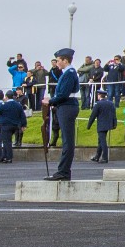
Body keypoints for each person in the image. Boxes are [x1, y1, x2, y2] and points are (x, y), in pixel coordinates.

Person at [47, 48, 79, 180]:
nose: (57, 63)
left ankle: (64, 171)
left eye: (59, 60)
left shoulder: (69, 73)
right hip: (65, 106)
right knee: (66, 140)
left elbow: (63, 94)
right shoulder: (68, 73)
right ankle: (63, 170)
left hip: (67, 107)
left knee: (67, 141)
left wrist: (50, 101)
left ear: (65, 60)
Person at [88, 89, 115, 163]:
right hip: (108, 124)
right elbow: (114, 114)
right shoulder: (110, 103)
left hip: (101, 125)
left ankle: (105, 157)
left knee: (102, 141)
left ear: (99, 96)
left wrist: (89, 125)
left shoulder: (98, 104)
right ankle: (97, 156)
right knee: (100, 141)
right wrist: (114, 123)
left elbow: (93, 115)